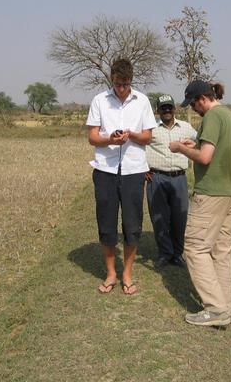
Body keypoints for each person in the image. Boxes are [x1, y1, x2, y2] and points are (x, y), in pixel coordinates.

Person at [169, 80, 231, 327]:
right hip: (229, 192)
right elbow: (211, 149)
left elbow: (205, 157)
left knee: (195, 248)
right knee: (220, 250)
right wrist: (194, 145)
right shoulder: (228, 116)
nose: (195, 110)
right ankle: (225, 305)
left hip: (210, 193)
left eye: (194, 104)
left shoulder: (211, 116)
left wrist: (180, 148)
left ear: (202, 98)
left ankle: (216, 309)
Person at [86, 58, 156, 295]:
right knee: (106, 224)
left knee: (132, 224)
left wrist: (131, 135)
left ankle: (127, 273)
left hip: (134, 171)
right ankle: (111, 273)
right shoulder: (99, 101)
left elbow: (148, 137)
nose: (122, 88)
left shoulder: (142, 101)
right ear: (112, 80)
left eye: (125, 84)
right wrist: (110, 140)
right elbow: (92, 137)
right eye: (117, 84)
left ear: (131, 80)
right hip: (105, 169)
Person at [146, 94, 197, 269]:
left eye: (169, 107)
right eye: (163, 108)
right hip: (156, 177)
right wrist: (143, 168)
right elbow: (137, 147)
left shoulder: (186, 127)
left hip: (179, 179)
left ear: (174, 109)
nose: (167, 110)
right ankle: (164, 253)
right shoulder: (150, 128)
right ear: (157, 110)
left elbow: (201, 142)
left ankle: (177, 254)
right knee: (159, 218)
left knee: (179, 217)